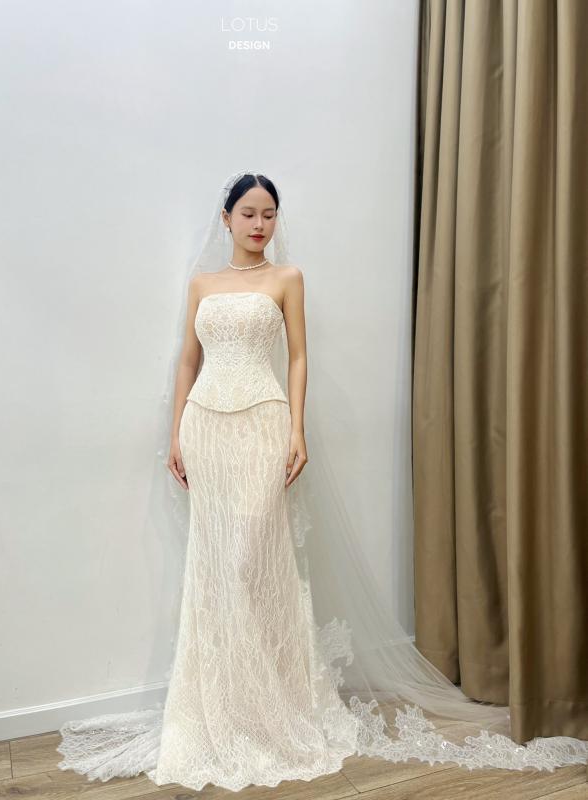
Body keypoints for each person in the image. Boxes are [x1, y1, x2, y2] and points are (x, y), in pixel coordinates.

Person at [56, 172, 587, 792]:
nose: (260, 224)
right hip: (206, 428)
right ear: (225, 218)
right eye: (248, 213)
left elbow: (299, 356)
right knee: (215, 566)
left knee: (255, 559)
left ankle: (273, 706)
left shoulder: (288, 278)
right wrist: (176, 433)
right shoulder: (201, 284)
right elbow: (188, 360)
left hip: (262, 424)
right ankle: (221, 706)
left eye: (269, 214)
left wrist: (296, 430)